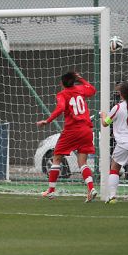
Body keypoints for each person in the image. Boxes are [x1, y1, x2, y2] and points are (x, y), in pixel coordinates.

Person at [36, 71, 97, 202]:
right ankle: (91, 188)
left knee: (57, 157)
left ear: (62, 83)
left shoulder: (62, 94)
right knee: (82, 162)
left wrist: (48, 120)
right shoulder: (80, 89)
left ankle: (51, 191)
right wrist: (82, 79)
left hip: (72, 130)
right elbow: (92, 90)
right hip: (86, 130)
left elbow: (60, 108)